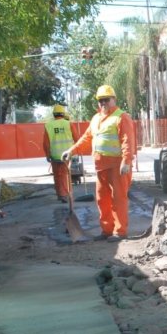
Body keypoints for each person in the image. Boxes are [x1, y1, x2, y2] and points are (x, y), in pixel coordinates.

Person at [61, 85, 135, 241]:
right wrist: (72, 151)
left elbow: (128, 141)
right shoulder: (96, 119)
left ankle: (120, 231)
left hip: (117, 166)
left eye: (106, 100)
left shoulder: (121, 117)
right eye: (101, 100)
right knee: (103, 199)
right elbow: (87, 138)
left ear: (114, 100)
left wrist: (126, 161)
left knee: (119, 199)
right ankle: (107, 230)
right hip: (101, 166)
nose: (103, 103)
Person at [42, 104, 77, 203]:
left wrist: (48, 155)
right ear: (63, 114)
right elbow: (77, 139)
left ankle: (60, 194)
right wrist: (75, 151)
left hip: (55, 156)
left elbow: (46, 143)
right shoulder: (68, 124)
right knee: (66, 174)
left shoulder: (49, 125)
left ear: (54, 114)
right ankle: (66, 194)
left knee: (57, 175)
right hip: (67, 155)